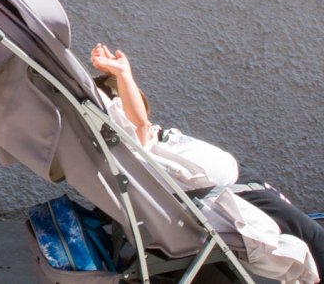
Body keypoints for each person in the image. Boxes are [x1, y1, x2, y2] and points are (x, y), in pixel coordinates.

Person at [90, 43, 323, 279]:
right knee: (314, 240)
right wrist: (123, 74)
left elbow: (140, 123)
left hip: (234, 188)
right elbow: (139, 123)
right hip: (230, 196)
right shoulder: (132, 143)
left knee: (311, 237)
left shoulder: (122, 149)